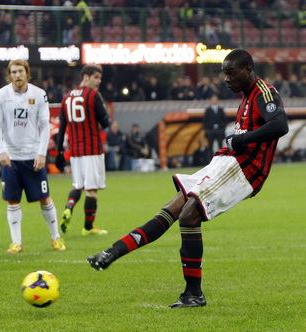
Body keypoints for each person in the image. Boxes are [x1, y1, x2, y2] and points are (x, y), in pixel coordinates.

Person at [86, 49, 289, 308]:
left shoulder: (264, 91)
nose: (225, 79)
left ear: (247, 69)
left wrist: (242, 138)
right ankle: (113, 251)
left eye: (230, 72)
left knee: (189, 215)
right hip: (225, 161)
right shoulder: (247, 95)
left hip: (244, 168)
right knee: (173, 207)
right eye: (223, 73)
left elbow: (280, 124)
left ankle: (194, 294)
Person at [0, 59, 65, 253]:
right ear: (10, 75)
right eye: (14, 72)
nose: (17, 75)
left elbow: (44, 127)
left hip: (33, 157)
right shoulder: (1, 95)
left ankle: (56, 238)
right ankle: (16, 243)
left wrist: (41, 154)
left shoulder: (39, 94)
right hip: (11, 157)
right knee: (12, 201)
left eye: (20, 72)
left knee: (45, 198)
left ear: (27, 73)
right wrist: (1, 150)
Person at [55, 64, 111, 236]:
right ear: (85, 77)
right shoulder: (93, 96)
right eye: (96, 77)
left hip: (75, 151)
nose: (99, 81)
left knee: (78, 185)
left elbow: (62, 127)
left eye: (100, 78)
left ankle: (68, 208)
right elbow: (105, 123)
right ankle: (88, 227)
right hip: (92, 149)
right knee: (92, 190)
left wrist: (59, 153)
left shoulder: (66, 97)